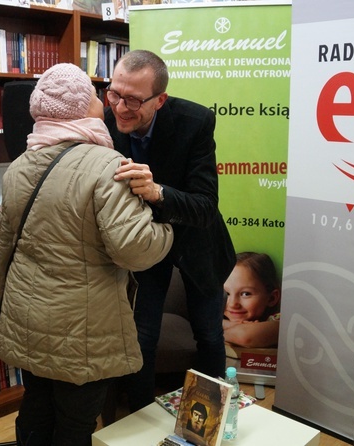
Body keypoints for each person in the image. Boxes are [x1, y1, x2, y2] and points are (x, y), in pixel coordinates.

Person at [0, 63, 173, 446]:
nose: (101, 102)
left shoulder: (18, 167)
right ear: (80, 108)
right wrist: (166, 227)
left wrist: (3, 304)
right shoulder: (105, 166)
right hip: (83, 327)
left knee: (37, 406)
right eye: (94, 96)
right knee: (76, 423)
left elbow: (5, 248)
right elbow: (136, 250)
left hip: (28, 314)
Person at [105, 49, 236, 412]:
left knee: (209, 335)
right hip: (144, 244)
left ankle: (210, 419)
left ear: (160, 99)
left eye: (133, 99)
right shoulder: (102, 120)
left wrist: (157, 191)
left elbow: (205, 206)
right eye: (115, 93)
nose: (119, 107)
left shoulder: (195, 121)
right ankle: (139, 420)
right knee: (142, 336)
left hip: (198, 242)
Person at [223, 252, 281, 348]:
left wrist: (220, 329)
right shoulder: (216, 317)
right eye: (226, 294)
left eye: (246, 294)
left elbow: (245, 336)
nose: (233, 304)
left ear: (272, 298)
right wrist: (227, 324)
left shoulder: (279, 323)